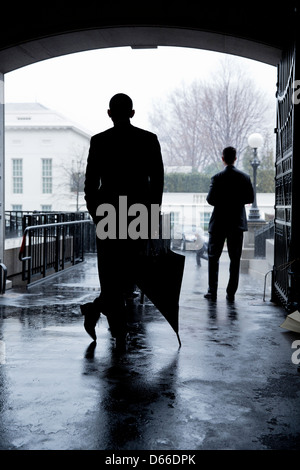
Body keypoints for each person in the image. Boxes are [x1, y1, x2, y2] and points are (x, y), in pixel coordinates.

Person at [81, 93, 164, 345]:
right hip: (138, 213)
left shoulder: (99, 141)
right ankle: (109, 322)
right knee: (131, 272)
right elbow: (157, 182)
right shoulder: (148, 140)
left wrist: (97, 214)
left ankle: (111, 323)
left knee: (110, 272)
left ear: (109, 113)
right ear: (132, 113)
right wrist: (152, 216)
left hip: (108, 212)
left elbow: (90, 184)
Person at [204, 146, 254, 302]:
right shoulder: (244, 178)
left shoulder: (217, 178)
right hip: (236, 223)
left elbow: (210, 199)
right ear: (235, 158)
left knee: (213, 257)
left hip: (219, 222)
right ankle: (230, 292)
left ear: (222, 158)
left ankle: (212, 291)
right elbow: (250, 198)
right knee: (235, 259)